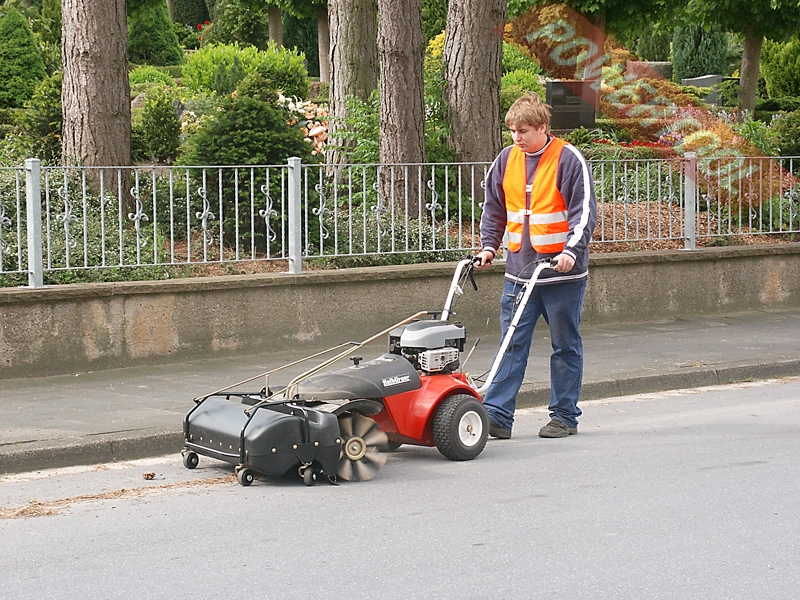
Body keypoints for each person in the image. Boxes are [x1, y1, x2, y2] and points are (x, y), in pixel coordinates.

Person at [475, 94, 597, 439]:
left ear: (542, 128)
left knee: (565, 346)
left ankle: (564, 416)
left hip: (561, 275)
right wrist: (489, 246)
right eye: (513, 131)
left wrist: (571, 251)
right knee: (511, 344)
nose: (517, 137)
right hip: (519, 272)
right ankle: (498, 414)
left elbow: (584, 212)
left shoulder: (568, 159)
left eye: (524, 131)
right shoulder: (506, 160)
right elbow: (494, 208)